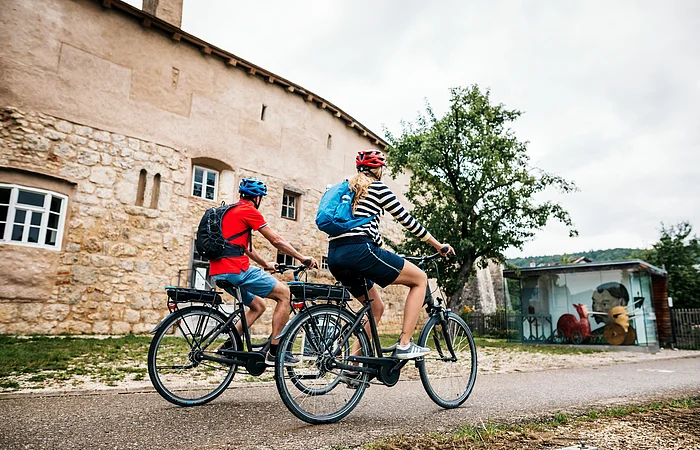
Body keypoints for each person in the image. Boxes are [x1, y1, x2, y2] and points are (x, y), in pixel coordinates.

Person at [326, 150, 454, 361]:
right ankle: (405, 344)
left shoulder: (344, 190)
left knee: (375, 308)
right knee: (420, 279)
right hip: (361, 251)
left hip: (335, 256)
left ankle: (354, 367)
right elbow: (406, 220)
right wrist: (437, 245)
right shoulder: (377, 188)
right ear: (378, 170)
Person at [209, 177, 318, 366]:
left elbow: (245, 248)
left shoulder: (229, 212)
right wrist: (302, 258)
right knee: (285, 294)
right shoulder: (249, 211)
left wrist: (265, 263)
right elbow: (276, 240)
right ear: (257, 198)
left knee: (258, 306)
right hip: (236, 270)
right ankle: (275, 352)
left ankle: (228, 346)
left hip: (219, 271)